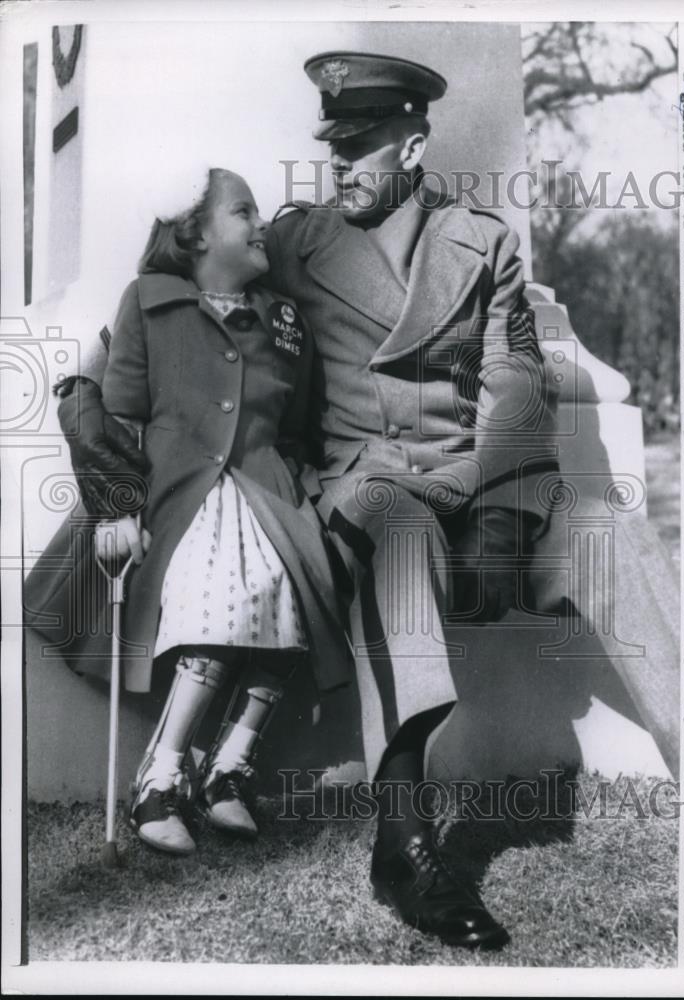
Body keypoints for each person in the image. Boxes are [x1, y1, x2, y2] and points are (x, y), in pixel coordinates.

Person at [46, 53, 558, 949]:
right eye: (334, 148)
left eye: (359, 148)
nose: (340, 166)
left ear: (412, 144)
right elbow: (158, 320)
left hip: (465, 477)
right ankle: (403, 844)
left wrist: (505, 508)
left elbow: (516, 379)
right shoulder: (295, 240)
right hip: (357, 486)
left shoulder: (485, 241)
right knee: (398, 535)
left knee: (541, 543)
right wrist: (105, 468)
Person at [24, 165, 350, 856]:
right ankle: (161, 777)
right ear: (196, 234)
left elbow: (294, 424)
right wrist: (116, 506)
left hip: (268, 493)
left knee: (289, 611)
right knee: (219, 605)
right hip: (176, 495)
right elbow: (115, 414)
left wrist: (307, 494)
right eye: (243, 211)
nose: (260, 224)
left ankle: (227, 769)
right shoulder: (146, 301)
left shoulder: (285, 319)